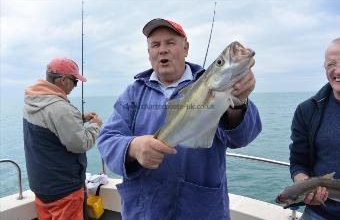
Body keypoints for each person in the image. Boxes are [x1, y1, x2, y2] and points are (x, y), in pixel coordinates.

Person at [97, 18, 262, 220]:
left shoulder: (212, 85)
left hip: (201, 211)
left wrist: (239, 102)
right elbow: (107, 140)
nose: (162, 50)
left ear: (186, 48)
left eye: (170, 42)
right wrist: (133, 147)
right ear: (149, 53)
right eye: (155, 45)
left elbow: (242, 138)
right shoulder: (133, 94)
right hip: (145, 211)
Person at [23, 58, 103, 220]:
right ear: (63, 80)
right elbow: (81, 144)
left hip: (42, 186)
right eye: (74, 81)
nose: (75, 86)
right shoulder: (59, 108)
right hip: (65, 189)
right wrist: (96, 126)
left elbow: (50, 125)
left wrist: (79, 118)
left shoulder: (32, 101)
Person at [289, 38, 340, 220]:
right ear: (325, 67)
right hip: (319, 214)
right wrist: (304, 186)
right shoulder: (307, 110)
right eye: (331, 64)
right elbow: (298, 162)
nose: (338, 70)